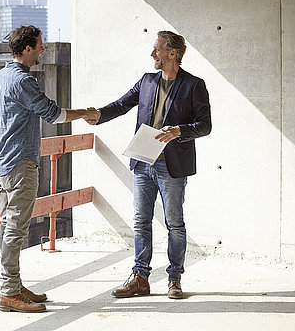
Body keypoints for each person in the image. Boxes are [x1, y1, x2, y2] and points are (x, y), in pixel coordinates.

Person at [0, 25, 97, 313]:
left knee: (9, 226)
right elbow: (53, 113)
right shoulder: (22, 81)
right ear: (28, 48)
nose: (43, 50)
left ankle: (14, 285)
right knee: (15, 230)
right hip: (20, 165)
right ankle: (9, 292)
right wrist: (84, 113)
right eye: (40, 46)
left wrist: (5, 137)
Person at [86, 30, 211, 299]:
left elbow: (205, 125)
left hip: (172, 166)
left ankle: (174, 279)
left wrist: (179, 130)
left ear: (172, 54)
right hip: (143, 163)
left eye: (157, 49)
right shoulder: (146, 81)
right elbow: (122, 104)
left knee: (174, 223)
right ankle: (140, 278)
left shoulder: (194, 85)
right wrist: (99, 114)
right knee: (141, 222)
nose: (152, 54)